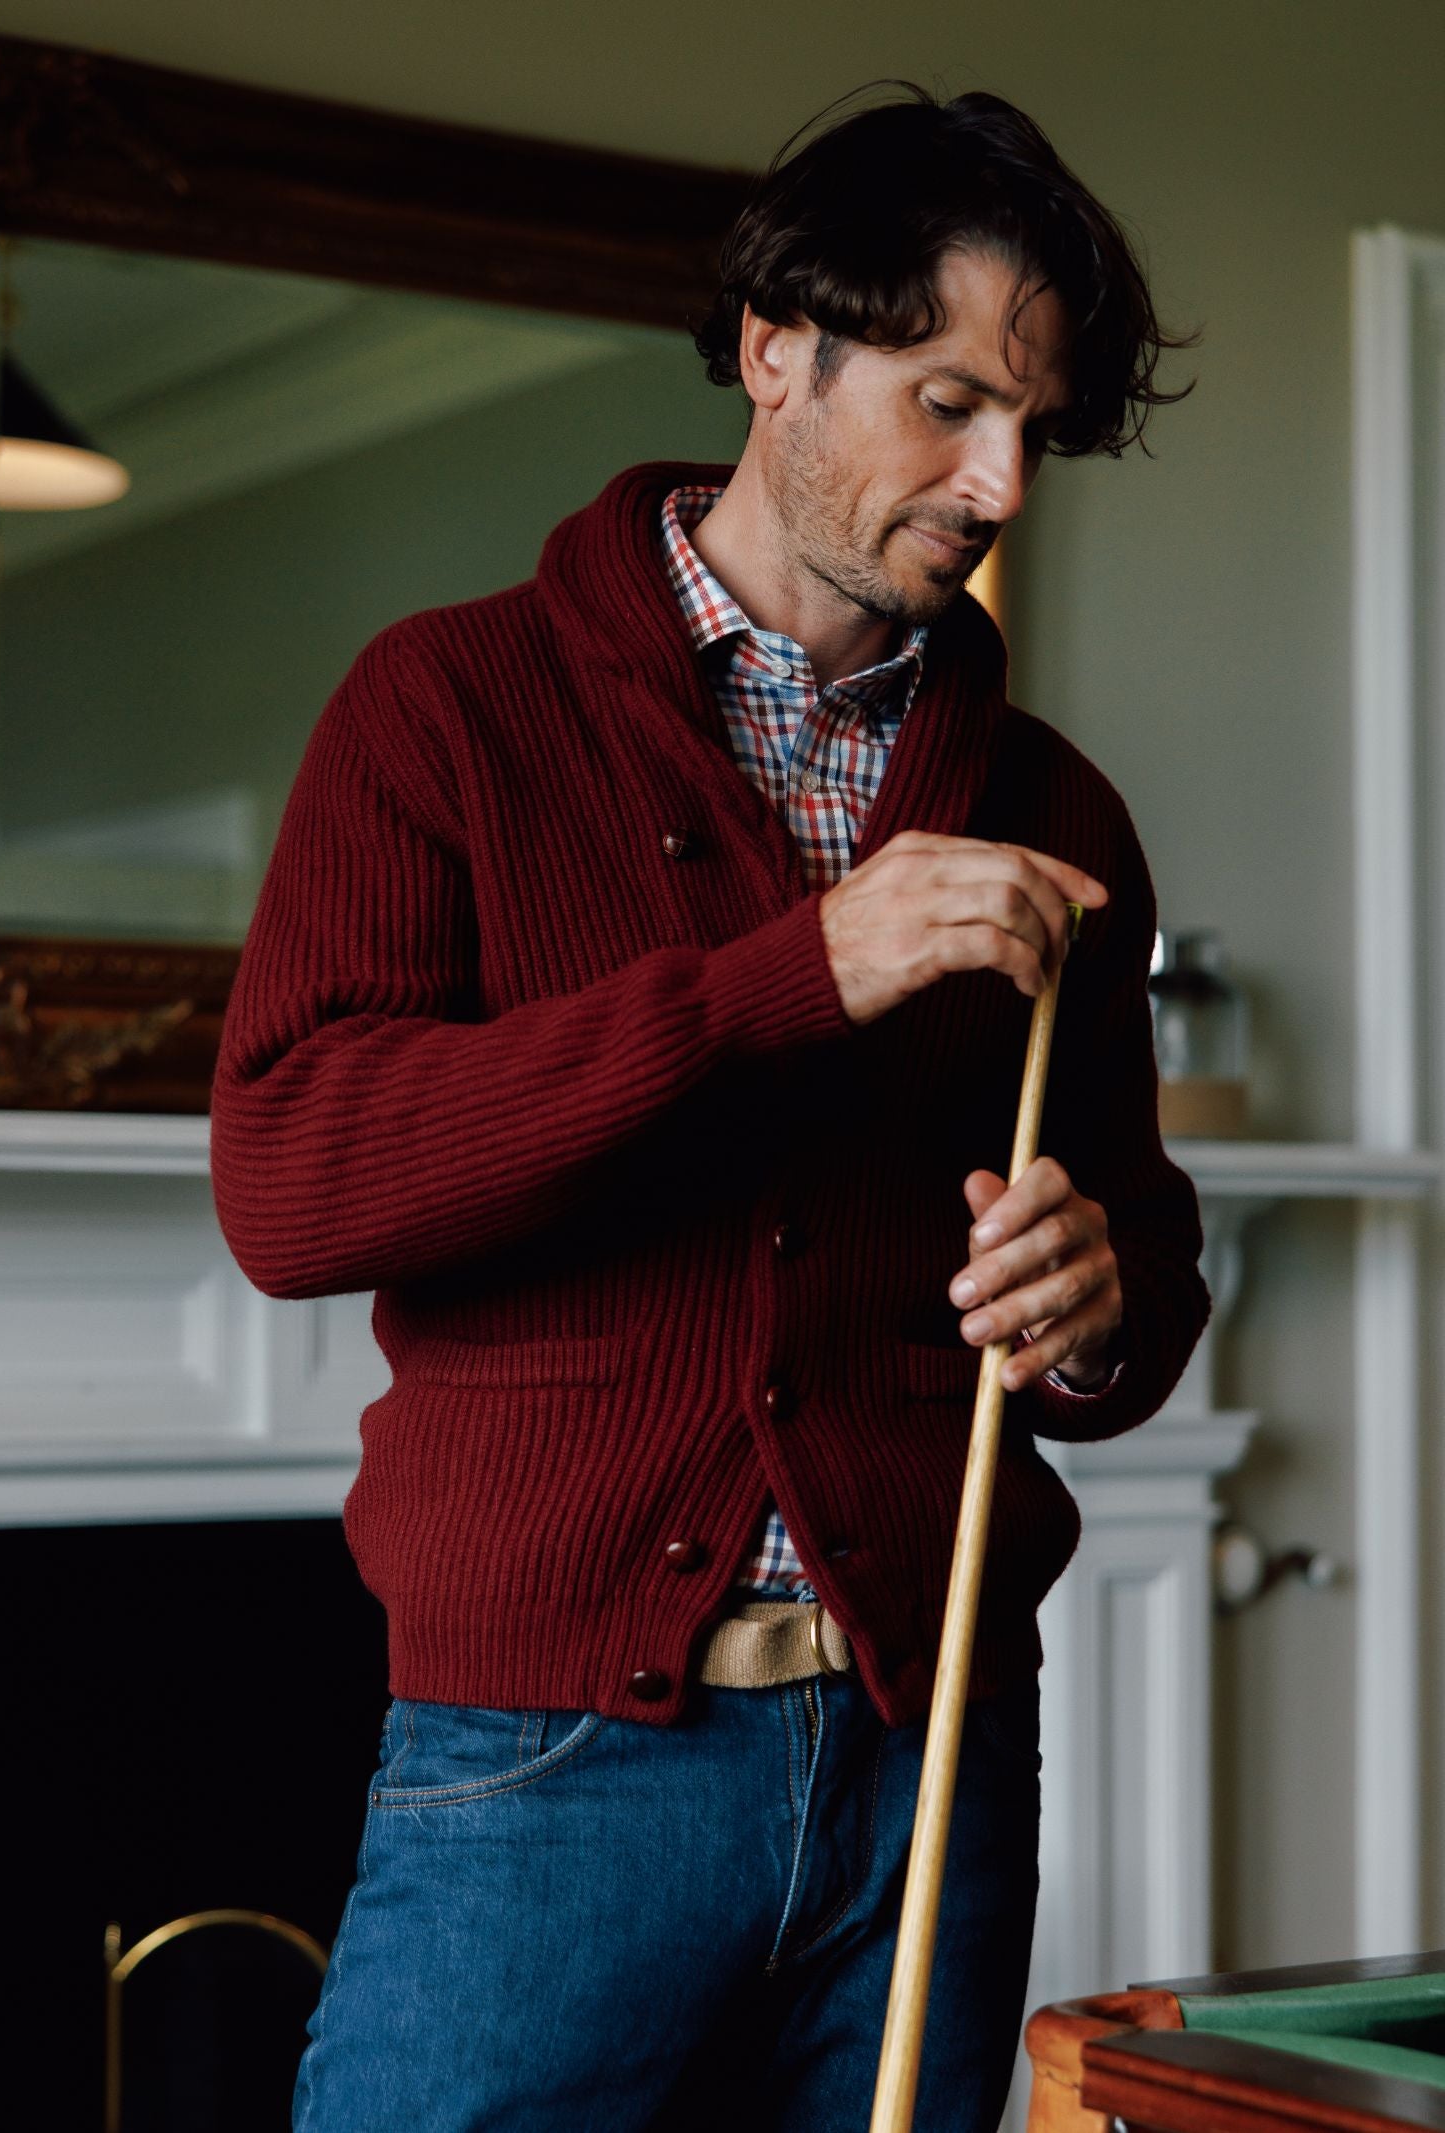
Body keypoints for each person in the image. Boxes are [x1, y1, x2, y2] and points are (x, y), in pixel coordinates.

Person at [211, 83, 1210, 2133]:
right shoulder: (443, 707)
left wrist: (1096, 1303)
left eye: (1028, 424)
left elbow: (1136, 1291)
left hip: (927, 1743)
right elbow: (295, 1184)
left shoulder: (1055, 808)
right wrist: (794, 976)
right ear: (779, 353)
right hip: (549, 1756)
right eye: (945, 403)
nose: (998, 474)